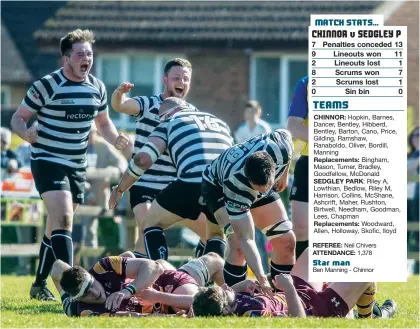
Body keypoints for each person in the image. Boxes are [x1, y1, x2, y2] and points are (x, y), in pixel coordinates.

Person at [10, 29, 130, 301]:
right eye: (80, 54)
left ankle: (40, 283)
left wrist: (115, 139)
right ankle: (72, 291)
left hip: (76, 165)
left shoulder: (97, 87)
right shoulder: (46, 85)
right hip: (48, 160)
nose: (86, 58)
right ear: (66, 58)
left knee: (56, 225)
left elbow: (103, 124)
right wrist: (26, 133)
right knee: (64, 218)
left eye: (89, 53)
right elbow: (18, 118)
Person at [109, 97, 233, 261]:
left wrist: (120, 189)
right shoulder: (219, 123)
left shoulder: (170, 121)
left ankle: (161, 274)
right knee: (215, 235)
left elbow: (142, 160)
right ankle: (208, 281)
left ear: (165, 115)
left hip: (193, 182)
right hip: (223, 185)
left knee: (150, 223)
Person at [111, 58, 207, 259]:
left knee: (211, 233)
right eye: (176, 77)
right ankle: (156, 276)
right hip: (144, 182)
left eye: (185, 78)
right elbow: (120, 106)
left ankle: (130, 266)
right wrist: (118, 94)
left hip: (175, 186)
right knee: (148, 228)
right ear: (165, 80)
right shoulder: (148, 104)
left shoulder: (192, 114)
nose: (181, 82)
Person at [200, 129, 295, 295]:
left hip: (258, 179)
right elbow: (247, 239)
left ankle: (281, 301)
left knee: (286, 241)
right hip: (217, 187)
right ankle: (234, 303)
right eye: (258, 188)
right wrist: (262, 278)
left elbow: (287, 134)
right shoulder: (236, 184)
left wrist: (284, 174)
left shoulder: (281, 147)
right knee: (238, 245)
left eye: (265, 187)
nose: (262, 191)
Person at [192, 248, 397, 319]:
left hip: (300, 293)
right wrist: (288, 286)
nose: (226, 287)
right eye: (226, 293)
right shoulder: (253, 314)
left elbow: (221, 298)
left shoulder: (228, 306)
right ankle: (368, 319)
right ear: (226, 309)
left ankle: (346, 297)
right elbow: (298, 321)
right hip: (317, 308)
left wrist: (241, 286)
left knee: (313, 253)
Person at [51, 251, 224, 317]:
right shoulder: (84, 310)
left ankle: (236, 294)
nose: (94, 293)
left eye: (91, 285)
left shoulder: (103, 267)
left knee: (214, 261)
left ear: (91, 275)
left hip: (165, 284)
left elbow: (155, 269)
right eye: (85, 294)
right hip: (162, 300)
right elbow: (131, 318)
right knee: (196, 307)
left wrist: (128, 290)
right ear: (78, 298)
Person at [73, 124, 128, 267]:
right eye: (86, 133)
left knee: (91, 232)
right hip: (77, 196)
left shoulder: (103, 146)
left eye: (91, 133)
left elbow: (121, 162)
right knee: (77, 233)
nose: (89, 136)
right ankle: (79, 268)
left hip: (99, 199)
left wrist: (109, 173)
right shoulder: (76, 146)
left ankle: (92, 268)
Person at [233, 100, 272, 274]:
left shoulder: (264, 129)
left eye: (253, 111)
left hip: (261, 179)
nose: (250, 114)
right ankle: (254, 272)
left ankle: (264, 270)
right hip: (246, 180)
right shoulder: (241, 131)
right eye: (247, 111)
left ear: (259, 112)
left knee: (263, 234)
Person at [287, 76, 309, 261]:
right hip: (310, 162)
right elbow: (293, 125)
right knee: (301, 228)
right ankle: (304, 283)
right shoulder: (307, 82)